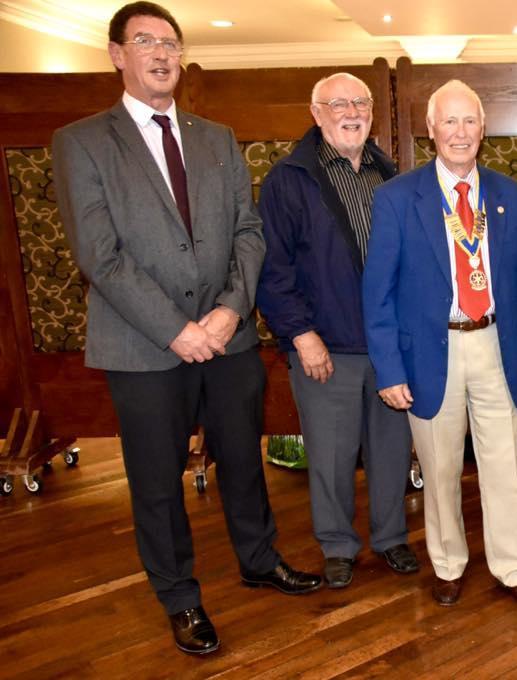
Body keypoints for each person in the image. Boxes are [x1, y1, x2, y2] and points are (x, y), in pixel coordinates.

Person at [52, 1, 322, 656]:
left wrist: (230, 311)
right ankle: (180, 597)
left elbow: (247, 234)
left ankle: (259, 561)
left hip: (227, 339)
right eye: (145, 40)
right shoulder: (81, 141)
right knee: (154, 480)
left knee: (243, 462)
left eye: (171, 41)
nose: (161, 52)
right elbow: (100, 255)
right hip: (144, 346)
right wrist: (177, 330)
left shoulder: (217, 138)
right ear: (118, 53)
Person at [363, 80, 517, 612]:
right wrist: (389, 369)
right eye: (450, 122)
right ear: (431, 130)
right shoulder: (396, 197)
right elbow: (378, 294)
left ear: (482, 130)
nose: (460, 133)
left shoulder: (510, 195)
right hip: (429, 352)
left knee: (507, 465)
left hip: (497, 346)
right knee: (438, 467)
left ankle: (513, 566)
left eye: (470, 122)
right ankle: (448, 563)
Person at [256, 73, 418, 590]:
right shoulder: (289, 178)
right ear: (316, 112)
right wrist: (301, 334)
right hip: (325, 347)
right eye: (338, 103)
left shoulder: (387, 172)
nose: (351, 111)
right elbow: (271, 268)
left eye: (360, 103)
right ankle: (338, 545)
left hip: (389, 347)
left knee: (392, 449)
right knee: (329, 454)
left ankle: (391, 538)